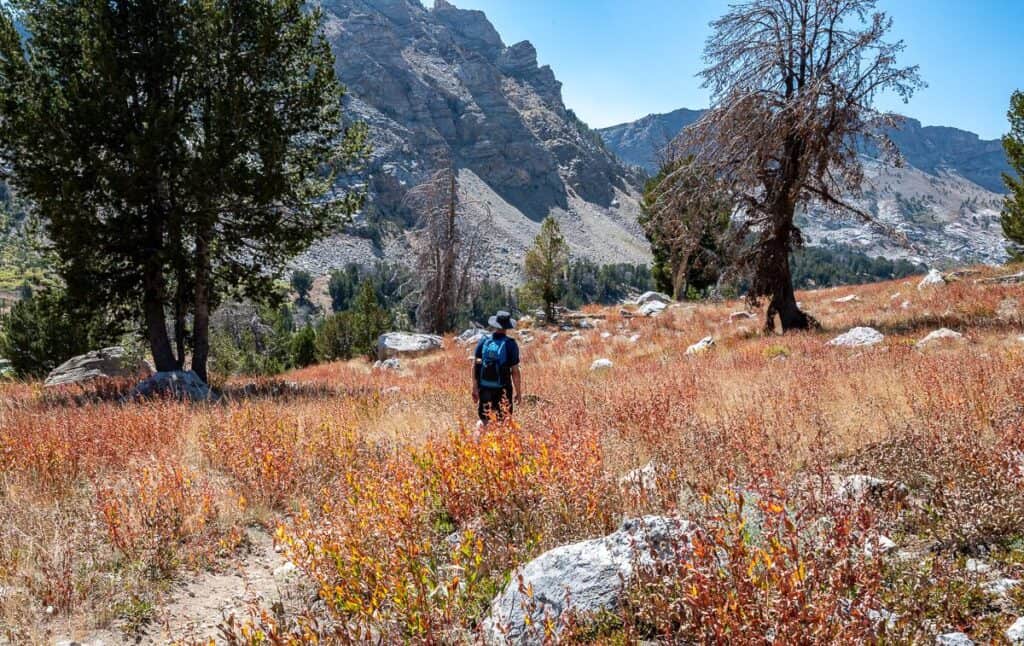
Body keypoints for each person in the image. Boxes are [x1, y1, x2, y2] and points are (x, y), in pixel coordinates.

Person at [472, 310, 522, 423]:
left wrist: (474, 388)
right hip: (503, 389)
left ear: (495, 324)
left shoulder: (484, 341)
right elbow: (515, 371)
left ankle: (479, 439)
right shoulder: (510, 344)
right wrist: (518, 392)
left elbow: (475, 365)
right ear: (507, 327)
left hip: (484, 387)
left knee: (485, 419)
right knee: (504, 421)